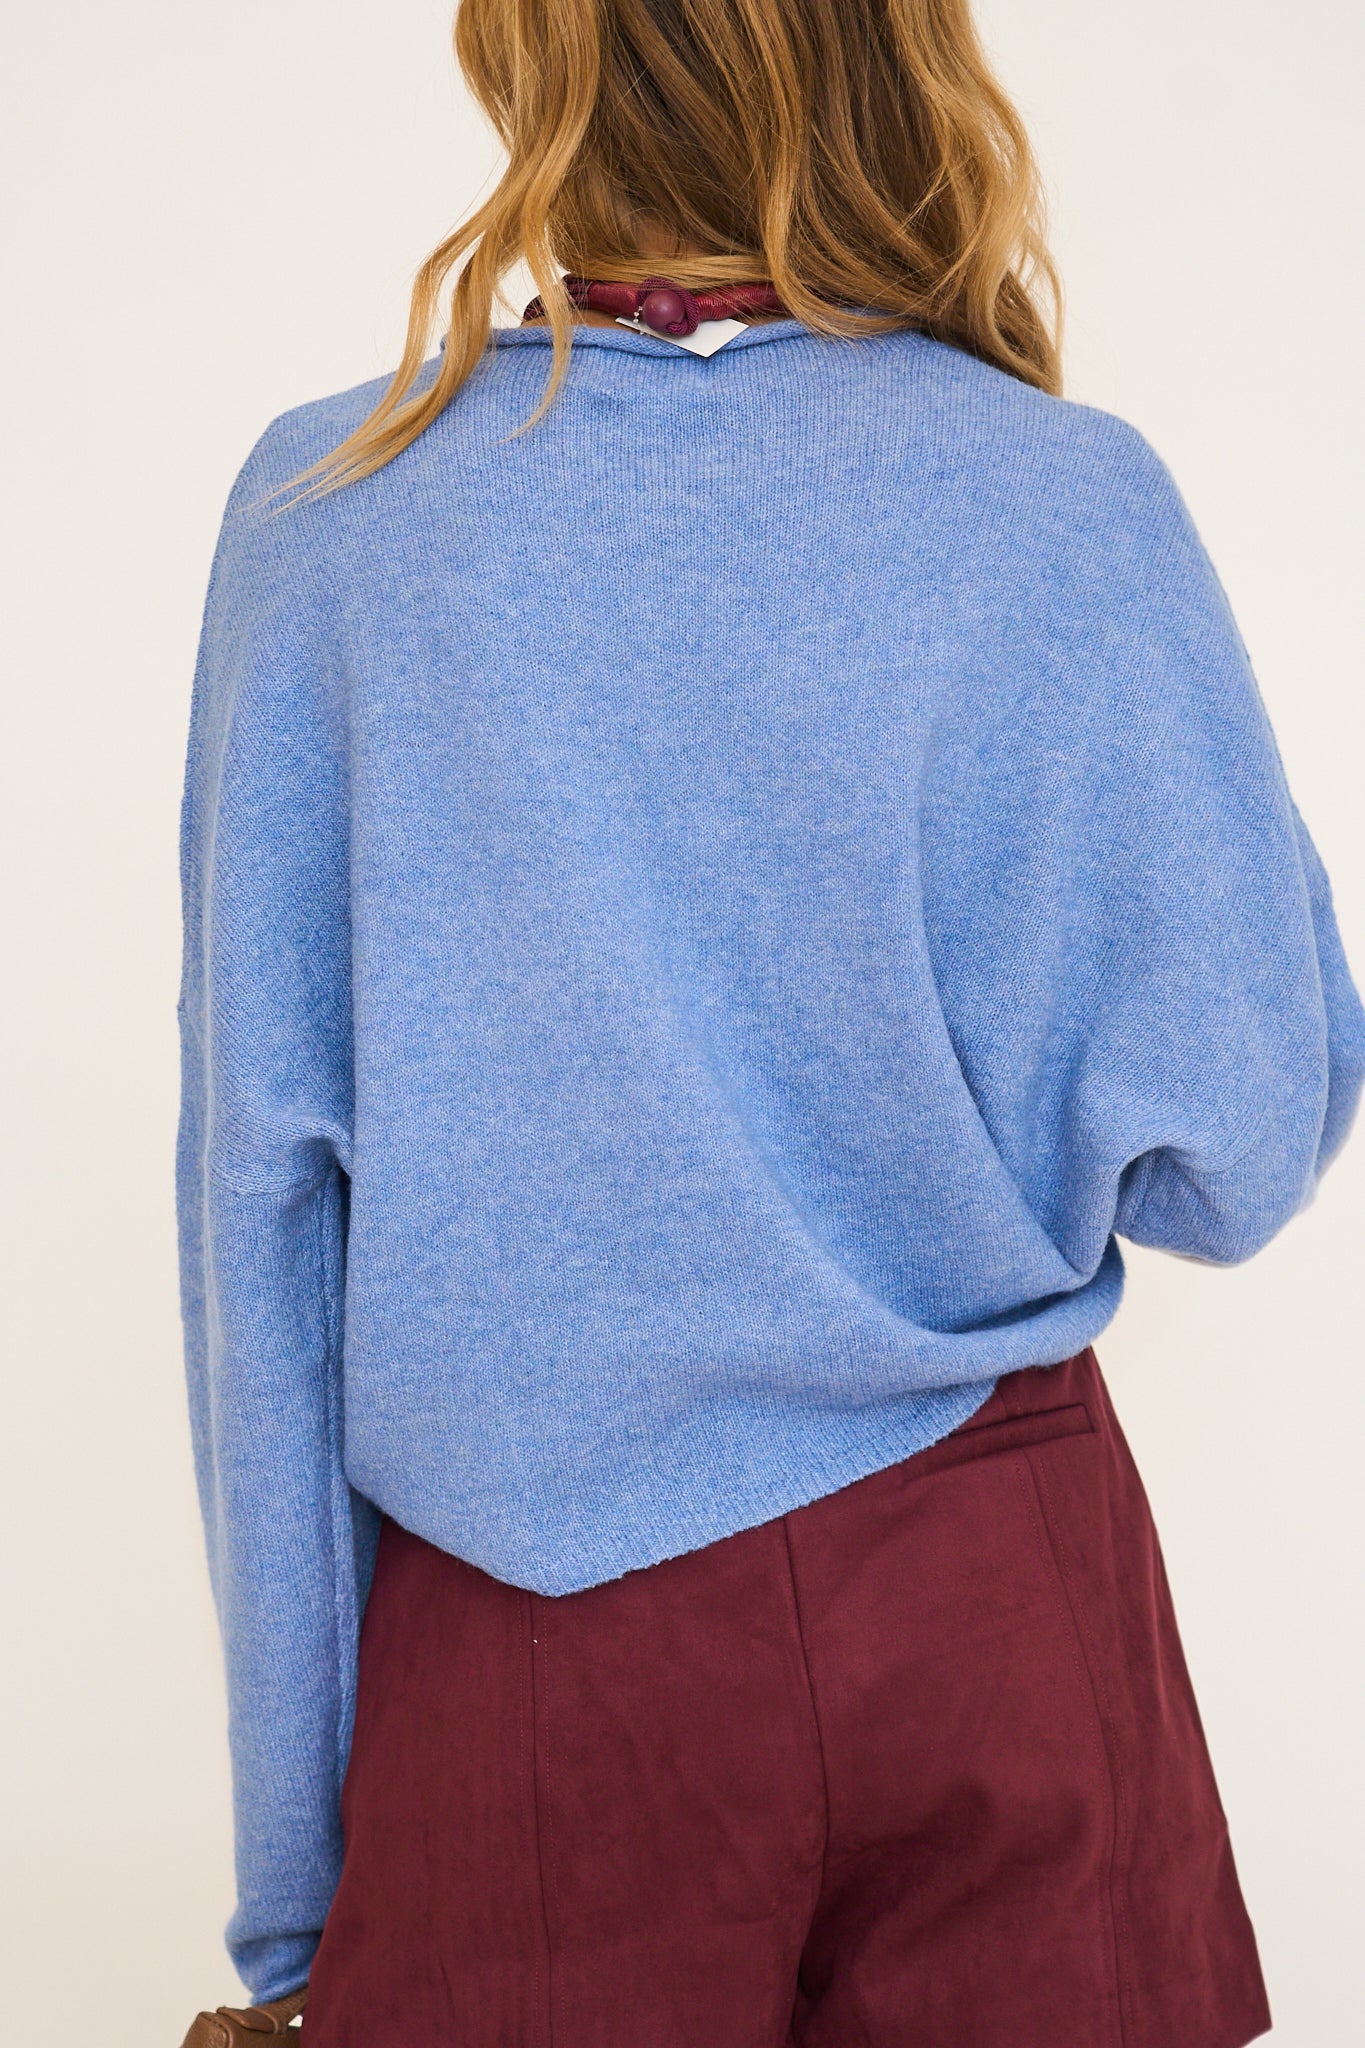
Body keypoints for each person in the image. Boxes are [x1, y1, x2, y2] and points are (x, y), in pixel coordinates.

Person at [175, 0, 1364, 2040]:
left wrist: (302, 1883)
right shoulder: (1059, 496)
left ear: (524, 59)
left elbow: (261, 1221)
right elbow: (1238, 1146)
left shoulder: (336, 513)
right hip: (994, 1591)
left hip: (533, 1653)